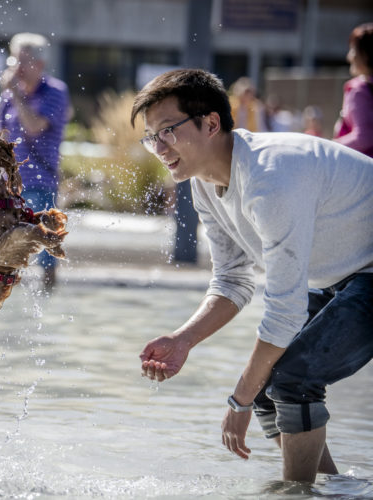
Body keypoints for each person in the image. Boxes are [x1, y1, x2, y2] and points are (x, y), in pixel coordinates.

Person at [131, 69, 373, 483]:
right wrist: (183, 339)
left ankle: (298, 494)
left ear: (211, 123)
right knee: (268, 388)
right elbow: (233, 279)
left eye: (168, 130)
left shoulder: (271, 178)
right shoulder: (203, 183)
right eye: (151, 137)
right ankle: (336, 490)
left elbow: (284, 310)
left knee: (293, 380)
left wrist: (238, 402)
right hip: (345, 274)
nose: (159, 147)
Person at [0, 33, 69, 289]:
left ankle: (48, 296)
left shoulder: (56, 92)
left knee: (47, 249)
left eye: (23, 61)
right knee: (7, 247)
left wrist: (15, 93)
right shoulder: (7, 97)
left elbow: (35, 126)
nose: (17, 68)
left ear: (40, 64)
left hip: (40, 181)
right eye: (14, 60)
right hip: (9, 184)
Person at [333, 22, 373, 157]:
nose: (349, 56)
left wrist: (330, 145)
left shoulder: (359, 89)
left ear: (366, 55)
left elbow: (364, 137)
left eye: (353, 50)